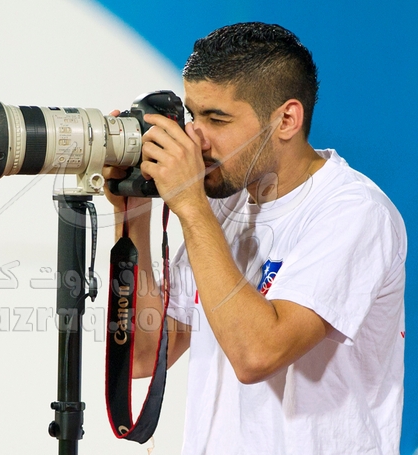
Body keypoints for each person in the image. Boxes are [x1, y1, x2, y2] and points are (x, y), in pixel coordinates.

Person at [103, 22, 406, 454]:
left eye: (216, 119)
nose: (195, 137)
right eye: (193, 115)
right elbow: (142, 356)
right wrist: (131, 212)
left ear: (286, 119)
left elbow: (257, 355)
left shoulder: (354, 211)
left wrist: (190, 206)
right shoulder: (221, 205)